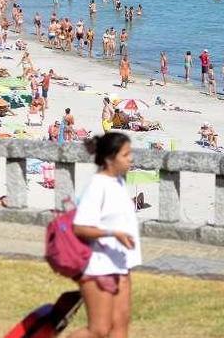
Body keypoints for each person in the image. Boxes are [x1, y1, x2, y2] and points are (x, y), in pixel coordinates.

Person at [70, 132, 140, 338]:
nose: (131, 159)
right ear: (110, 158)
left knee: (120, 326)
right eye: (126, 154)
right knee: (98, 330)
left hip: (121, 264)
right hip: (98, 267)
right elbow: (79, 227)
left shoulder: (118, 182)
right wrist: (113, 233)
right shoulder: (97, 186)